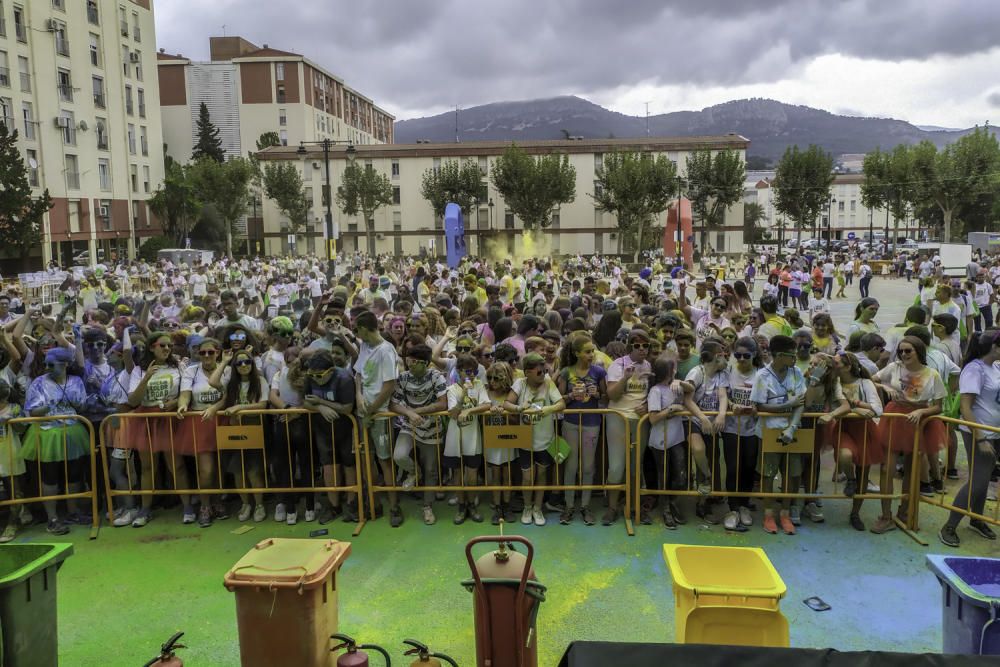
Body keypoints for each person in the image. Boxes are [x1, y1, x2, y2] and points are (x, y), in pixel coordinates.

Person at [872, 336, 946, 533]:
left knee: (911, 470)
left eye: (908, 351)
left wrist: (922, 411)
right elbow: (871, 381)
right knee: (887, 468)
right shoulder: (894, 368)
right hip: (895, 417)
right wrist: (885, 387)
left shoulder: (932, 375)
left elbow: (938, 407)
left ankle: (905, 512)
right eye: (901, 351)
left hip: (918, 421)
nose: (904, 354)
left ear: (918, 352)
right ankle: (885, 515)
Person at [940, 331, 1000, 547]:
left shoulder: (995, 367)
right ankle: (949, 526)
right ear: (994, 347)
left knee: (983, 480)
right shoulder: (974, 369)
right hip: (979, 431)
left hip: (994, 431)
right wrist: (981, 438)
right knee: (978, 481)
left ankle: (977, 518)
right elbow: (966, 405)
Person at [22, 348, 90, 535]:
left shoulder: (76, 381)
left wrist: (76, 402)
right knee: (49, 477)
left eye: (51, 364)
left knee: (74, 475)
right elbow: (31, 411)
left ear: (65, 364)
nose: (47, 367)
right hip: (47, 434)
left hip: (74, 432)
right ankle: (52, 518)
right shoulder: (38, 383)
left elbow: (82, 405)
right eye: (46, 364)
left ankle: (73, 512)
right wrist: (48, 406)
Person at [751, 335, 807, 535]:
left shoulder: (796, 372)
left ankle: (784, 513)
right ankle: (768, 514)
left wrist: (792, 427)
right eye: (792, 355)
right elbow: (759, 405)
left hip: (792, 432)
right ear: (780, 355)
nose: (795, 358)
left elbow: (800, 403)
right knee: (768, 473)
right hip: (769, 430)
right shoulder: (762, 376)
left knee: (792, 475)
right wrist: (786, 406)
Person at [210, 348, 270, 522]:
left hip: (255, 427)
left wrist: (239, 407)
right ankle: (246, 504)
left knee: (254, 471)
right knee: (237, 470)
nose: (243, 365)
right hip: (235, 429)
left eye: (247, 362)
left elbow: (263, 405)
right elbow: (213, 382)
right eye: (239, 363)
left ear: (252, 363)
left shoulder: (260, 381)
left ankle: (259, 504)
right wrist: (224, 361)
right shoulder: (231, 383)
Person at [390, 343, 447, 526]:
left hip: (432, 429)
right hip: (409, 426)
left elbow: (442, 404)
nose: (409, 364)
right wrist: (409, 414)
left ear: (424, 363)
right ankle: (415, 471)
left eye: (413, 361)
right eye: (408, 360)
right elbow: (393, 403)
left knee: (431, 470)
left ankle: (427, 506)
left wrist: (418, 411)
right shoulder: (403, 378)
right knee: (399, 455)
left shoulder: (436, 377)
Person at [506, 353, 565, 526]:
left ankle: (538, 508)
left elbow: (561, 404)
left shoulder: (548, 383)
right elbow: (506, 404)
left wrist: (549, 409)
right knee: (527, 477)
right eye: (539, 371)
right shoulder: (520, 384)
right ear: (528, 372)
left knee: (541, 475)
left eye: (545, 370)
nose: (543, 374)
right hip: (525, 440)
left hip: (545, 440)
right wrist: (519, 408)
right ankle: (527, 507)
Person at [353, 310, 400, 525]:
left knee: (385, 461)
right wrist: (359, 395)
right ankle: (374, 504)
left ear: (364, 328)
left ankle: (394, 506)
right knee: (366, 459)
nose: (356, 332)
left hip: (379, 416)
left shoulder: (386, 350)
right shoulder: (364, 346)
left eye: (357, 328)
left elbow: (389, 386)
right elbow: (358, 375)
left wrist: (371, 410)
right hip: (364, 412)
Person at [301, 345, 357, 524]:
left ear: (331, 371)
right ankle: (334, 506)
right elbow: (305, 402)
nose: (316, 380)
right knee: (329, 467)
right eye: (313, 376)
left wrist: (321, 401)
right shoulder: (310, 377)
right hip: (323, 430)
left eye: (320, 376)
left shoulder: (344, 378)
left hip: (346, 429)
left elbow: (347, 407)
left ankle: (352, 504)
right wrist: (319, 407)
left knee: (349, 465)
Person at [556, 332, 607, 525]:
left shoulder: (599, 372)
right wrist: (570, 396)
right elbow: (559, 400)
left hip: (592, 423)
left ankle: (585, 506)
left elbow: (606, 397)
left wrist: (598, 394)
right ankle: (569, 506)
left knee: (588, 466)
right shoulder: (566, 372)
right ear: (577, 353)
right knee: (571, 465)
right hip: (570, 423)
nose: (591, 355)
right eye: (587, 352)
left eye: (592, 351)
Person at [603, 329, 652, 525]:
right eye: (637, 345)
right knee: (616, 466)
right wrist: (625, 378)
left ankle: (634, 506)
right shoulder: (617, 365)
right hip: (618, 417)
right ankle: (612, 507)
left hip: (640, 420)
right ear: (630, 346)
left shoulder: (649, 365)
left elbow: (655, 392)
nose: (642, 349)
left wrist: (648, 406)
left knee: (635, 466)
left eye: (645, 346)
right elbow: (612, 394)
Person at [647, 356, 695, 528]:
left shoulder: (676, 386)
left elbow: (691, 389)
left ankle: (674, 503)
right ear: (669, 371)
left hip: (676, 438)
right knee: (664, 475)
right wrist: (671, 409)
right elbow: (653, 418)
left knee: (680, 475)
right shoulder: (656, 391)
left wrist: (681, 383)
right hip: (660, 439)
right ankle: (666, 508)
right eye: (673, 368)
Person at [721, 337, 761, 532]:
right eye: (738, 355)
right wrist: (731, 405)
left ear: (754, 355)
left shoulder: (760, 374)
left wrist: (757, 407)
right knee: (733, 467)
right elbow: (723, 395)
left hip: (752, 429)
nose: (742, 359)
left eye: (746, 356)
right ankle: (733, 508)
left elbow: (764, 398)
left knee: (748, 467)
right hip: (731, 427)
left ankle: (744, 504)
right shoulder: (729, 372)